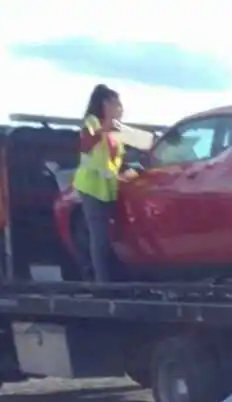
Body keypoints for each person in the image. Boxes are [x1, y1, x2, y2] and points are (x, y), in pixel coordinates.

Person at [73, 84, 130, 282]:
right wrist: (105, 129)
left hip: (108, 189)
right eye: (116, 104)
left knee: (111, 237)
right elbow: (87, 145)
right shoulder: (92, 122)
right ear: (105, 104)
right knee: (100, 239)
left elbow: (119, 158)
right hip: (91, 188)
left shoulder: (118, 130)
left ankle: (113, 278)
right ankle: (102, 283)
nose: (120, 108)